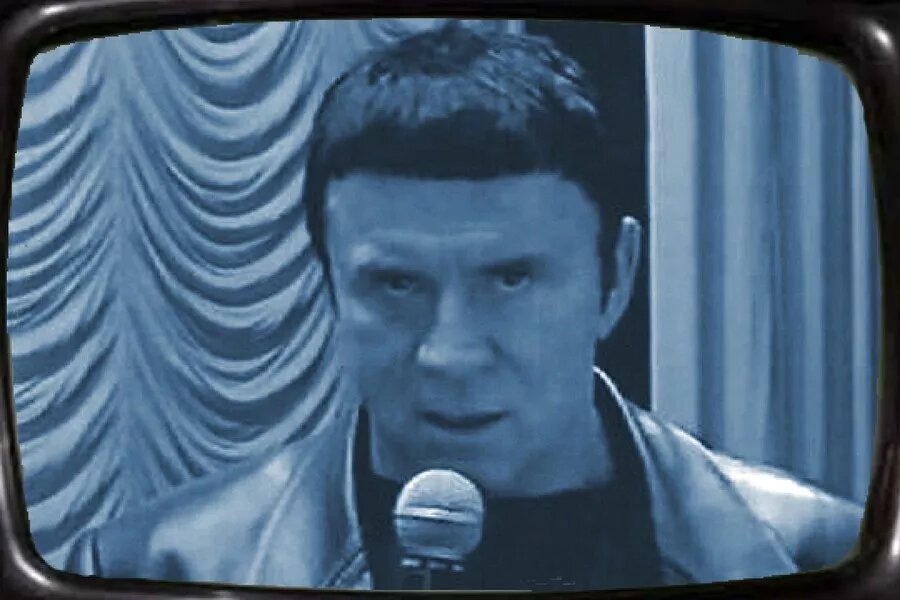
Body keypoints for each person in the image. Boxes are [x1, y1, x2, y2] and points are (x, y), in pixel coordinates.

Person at [65, 23, 862, 591]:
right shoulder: (151, 567)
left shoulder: (820, 552)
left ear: (615, 277)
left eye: (511, 279)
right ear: (331, 285)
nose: (449, 353)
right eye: (396, 284)